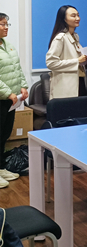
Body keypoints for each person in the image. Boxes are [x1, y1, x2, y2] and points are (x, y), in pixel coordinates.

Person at [0, 13, 28, 188]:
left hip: (10, 100)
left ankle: (1, 167)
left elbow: (17, 69)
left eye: (7, 24)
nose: (6, 27)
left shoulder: (8, 46)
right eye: (2, 24)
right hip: (3, 97)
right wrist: (8, 92)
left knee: (4, 134)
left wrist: (23, 86)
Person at [46, 5, 87, 99]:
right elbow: (51, 63)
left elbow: (74, 58)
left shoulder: (75, 36)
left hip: (79, 81)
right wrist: (77, 61)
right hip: (65, 86)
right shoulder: (60, 38)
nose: (77, 18)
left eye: (78, 15)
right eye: (73, 16)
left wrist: (85, 59)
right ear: (64, 19)